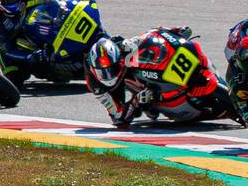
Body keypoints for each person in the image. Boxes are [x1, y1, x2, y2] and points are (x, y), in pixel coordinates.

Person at [86, 28, 234, 128]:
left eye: (111, 69)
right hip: (124, 93)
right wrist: (137, 101)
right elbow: (118, 117)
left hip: (134, 73)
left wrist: (173, 32)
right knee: (123, 117)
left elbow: (149, 35)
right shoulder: (95, 84)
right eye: (102, 72)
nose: (107, 75)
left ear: (117, 59)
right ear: (93, 69)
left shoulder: (122, 46)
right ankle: (153, 106)